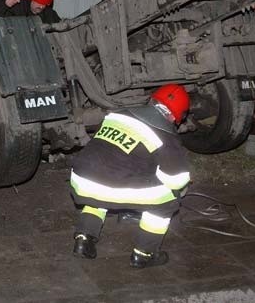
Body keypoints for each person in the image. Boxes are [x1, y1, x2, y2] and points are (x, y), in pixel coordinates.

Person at [69, 84, 191, 269]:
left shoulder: (118, 114)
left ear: (152, 100)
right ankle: (145, 253)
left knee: (101, 184)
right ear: (176, 116)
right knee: (168, 199)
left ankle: (84, 239)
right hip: (111, 184)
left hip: (81, 177)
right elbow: (177, 179)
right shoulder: (165, 135)